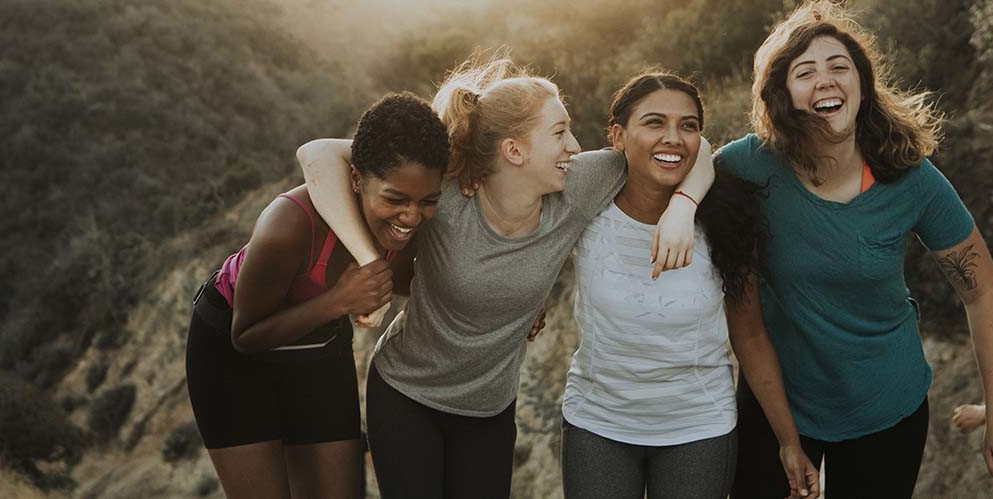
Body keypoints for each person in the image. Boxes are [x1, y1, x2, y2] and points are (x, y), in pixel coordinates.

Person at [297, 57, 713, 498]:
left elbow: (695, 147)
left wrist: (683, 206)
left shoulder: (579, 186)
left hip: (489, 410)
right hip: (406, 395)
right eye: (559, 133)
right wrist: (369, 261)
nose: (574, 145)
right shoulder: (449, 194)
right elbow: (318, 154)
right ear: (514, 151)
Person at [723, 0, 993, 499]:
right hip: (777, 403)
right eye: (805, 72)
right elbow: (676, 167)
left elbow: (984, 294)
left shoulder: (910, 177)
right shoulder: (749, 167)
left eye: (840, 67)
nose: (826, 80)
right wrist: (684, 207)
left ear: (862, 83)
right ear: (782, 93)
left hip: (886, 405)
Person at [560, 71, 820, 499]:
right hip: (598, 423)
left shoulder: (726, 221)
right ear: (618, 135)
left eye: (688, 126)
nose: (673, 138)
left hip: (699, 427)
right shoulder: (588, 205)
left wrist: (789, 442)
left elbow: (750, 334)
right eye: (654, 122)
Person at [185, 93, 450, 499]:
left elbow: (429, 283)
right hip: (231, 357)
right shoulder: (289, 225)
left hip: (318, 349)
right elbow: (245, 335)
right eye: (395, 199)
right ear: (358, 179)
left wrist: (518, 305)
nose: (411, 217)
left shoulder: (407, 229)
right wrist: (339, 302)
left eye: (427, 201)